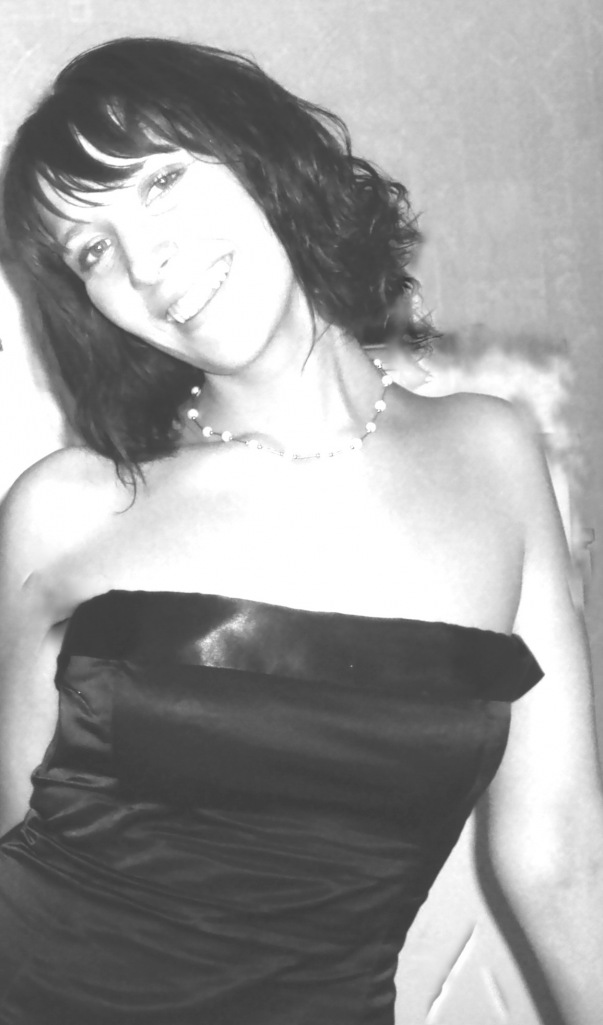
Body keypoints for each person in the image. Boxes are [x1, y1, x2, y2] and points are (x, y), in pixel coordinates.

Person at [0, 35, 601, 1025]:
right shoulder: (67, 508)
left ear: (260, 154)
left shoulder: (493, 454)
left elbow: (559, 853)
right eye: (92, 251)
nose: (144, 262)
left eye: (159, 181)